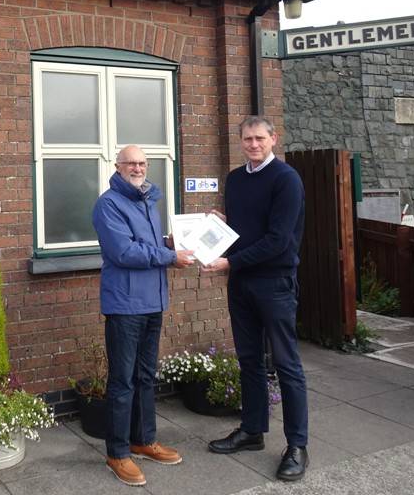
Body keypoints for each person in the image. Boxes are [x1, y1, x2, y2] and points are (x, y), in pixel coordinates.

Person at [203, 116, 308, 481]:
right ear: (240, 140)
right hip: (241, 283)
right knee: (249, 361)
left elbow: (278, 240)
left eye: (259, 138)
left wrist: (229, 260)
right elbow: (245, 229)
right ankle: (251, 431)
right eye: (247, 139)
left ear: (273, 138)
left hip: (275, 283)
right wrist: (222, 224)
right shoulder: (235, 179)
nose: (253, 144)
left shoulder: (286, 179)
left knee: (286, 364)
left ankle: (297, 445)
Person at [92, 145, 195, 487]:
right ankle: (118, 453)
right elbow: (124, 251)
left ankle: (143, 440)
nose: (136, 168)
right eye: (130, 163)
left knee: (146, 376)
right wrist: (168, 256)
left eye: (141, 163)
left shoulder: (149, 200)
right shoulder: (108, 204)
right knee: (122, 381)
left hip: (152, 301)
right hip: (124, 305)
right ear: (117, 166)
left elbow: (152, 244)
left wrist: (186, 238)